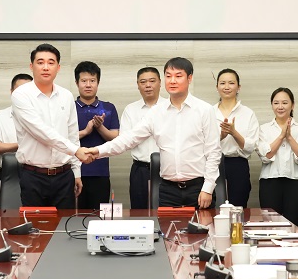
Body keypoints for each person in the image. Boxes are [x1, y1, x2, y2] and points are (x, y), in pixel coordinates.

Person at [84, 57, 221, 209]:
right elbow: (128, 139)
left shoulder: (204, 110)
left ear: (189, 78)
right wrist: (97, 151)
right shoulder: (156, 112)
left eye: (178, 76)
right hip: (168, 190)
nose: (172, 81)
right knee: (165, 225)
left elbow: (213, 152)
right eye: (168, 76)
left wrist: (208, 188)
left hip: (199, 188)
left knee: (202, 225)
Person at [11, 43, 89, 208]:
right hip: (33, 175)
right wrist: (76, 151)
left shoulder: (66, 96)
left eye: (51, 62)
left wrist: (76, 172)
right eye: (40, 62)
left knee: (64, 223)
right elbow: (40, 131)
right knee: (34, 224)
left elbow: (72, 135)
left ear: (58, 67)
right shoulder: (21, 95)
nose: (45, 67)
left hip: (64, 175)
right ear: (31, 66)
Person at [257, 87, 298, 226]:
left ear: (292, 105)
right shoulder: (263, 129)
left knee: (293, 225)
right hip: (270, 182)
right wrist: (281, 136)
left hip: (295, 182)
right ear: (272, 105)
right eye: (276, 103)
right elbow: (265, 156)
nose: (280, 106)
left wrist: (290, 137)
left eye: (284, 103)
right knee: (270, 226)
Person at [73, 61, 120, 210]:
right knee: (74, 216)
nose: (88, 85)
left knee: (100, 216)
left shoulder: (108, 108)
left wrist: (100, 127)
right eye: (84, 81)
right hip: (73, 172)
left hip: (100, 172)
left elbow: (115, 138)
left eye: (92, 81)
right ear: (77, 83)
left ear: (98, 83)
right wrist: (85, 132)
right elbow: (61, 138)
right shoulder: (68, 107)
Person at [120, 67, 166, 209]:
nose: (148, 85)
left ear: (160, 83)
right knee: (139, 211)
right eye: (143, 82)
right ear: (138, 85)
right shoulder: (130, 109)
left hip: (166, 168)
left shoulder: (169, 107)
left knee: (165, 211)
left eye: (152, 81)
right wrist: (144, 131)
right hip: (140, 169)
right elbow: (125, 140)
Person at [213, 68, 259, 207]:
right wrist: (221, 136)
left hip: (238, 165)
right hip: (213, 164)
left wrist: (234, 133)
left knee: (238, 208)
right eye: (222, 83)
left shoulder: (248, 113)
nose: (226, 87)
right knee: (213, 208)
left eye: (231, 83)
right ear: (217, 87)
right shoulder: (208, 112)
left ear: (238, 87)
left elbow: (251, 147)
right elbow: (201, 143)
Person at [0, 73, 33, 164]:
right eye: (19, 90)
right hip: (9, 170)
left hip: (38, 170)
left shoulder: (44, 115)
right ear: (12, 92)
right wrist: (22, 145)